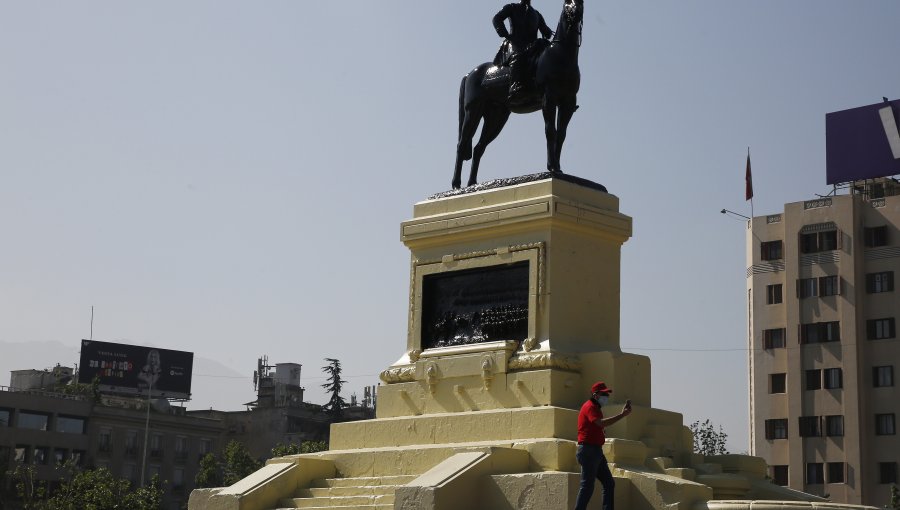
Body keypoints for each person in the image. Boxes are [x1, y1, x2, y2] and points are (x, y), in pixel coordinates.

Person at [574, 381, 632, 510]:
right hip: (589, 451)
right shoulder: (590, 407)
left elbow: (596, 426)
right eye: (603, 394)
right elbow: (600, 423)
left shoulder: (595, 408)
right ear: (595, 395)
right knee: (587, 486)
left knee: (608, 483)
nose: (606, 396)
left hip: (595, 451)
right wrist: (622, 415)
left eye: (607, 394)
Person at [492, 0, 553, 101]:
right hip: (515, 43)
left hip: (532, 46)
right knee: (519, 56)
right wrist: (505, 34)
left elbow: (545, 30)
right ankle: (515, 87)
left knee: (547, 55)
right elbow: (497, 19)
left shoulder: (536, 14)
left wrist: (548, 32)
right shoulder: (512, 7)